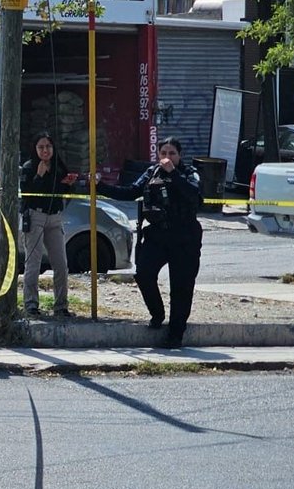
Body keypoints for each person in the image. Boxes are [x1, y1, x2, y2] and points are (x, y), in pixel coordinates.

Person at [95, 136, 203, 348]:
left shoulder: (189, 174)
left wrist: (173, 173)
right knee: (143, 273)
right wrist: (100, 186)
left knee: (181, 287)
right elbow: (129, 192)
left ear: (179, 156)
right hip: (157, 234)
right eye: (163, 153)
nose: (167, 158)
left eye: (172, 153)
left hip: (185, 237)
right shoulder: (151, 173)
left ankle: (175, 334)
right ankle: (157, 314)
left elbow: (195, 196)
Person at [20, 132, 78, 317]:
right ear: (35, 149)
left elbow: (64, 192)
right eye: (41, 147)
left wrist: (69, 183)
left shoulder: (59, 167)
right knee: (33, 263)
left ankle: (61, 306)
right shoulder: (29, 167)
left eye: (48, 147)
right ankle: (31, 305)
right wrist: (38, 176)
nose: (45, 150)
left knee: (61, 264)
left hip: (54, 218)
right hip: (35, 216)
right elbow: (27, 193)